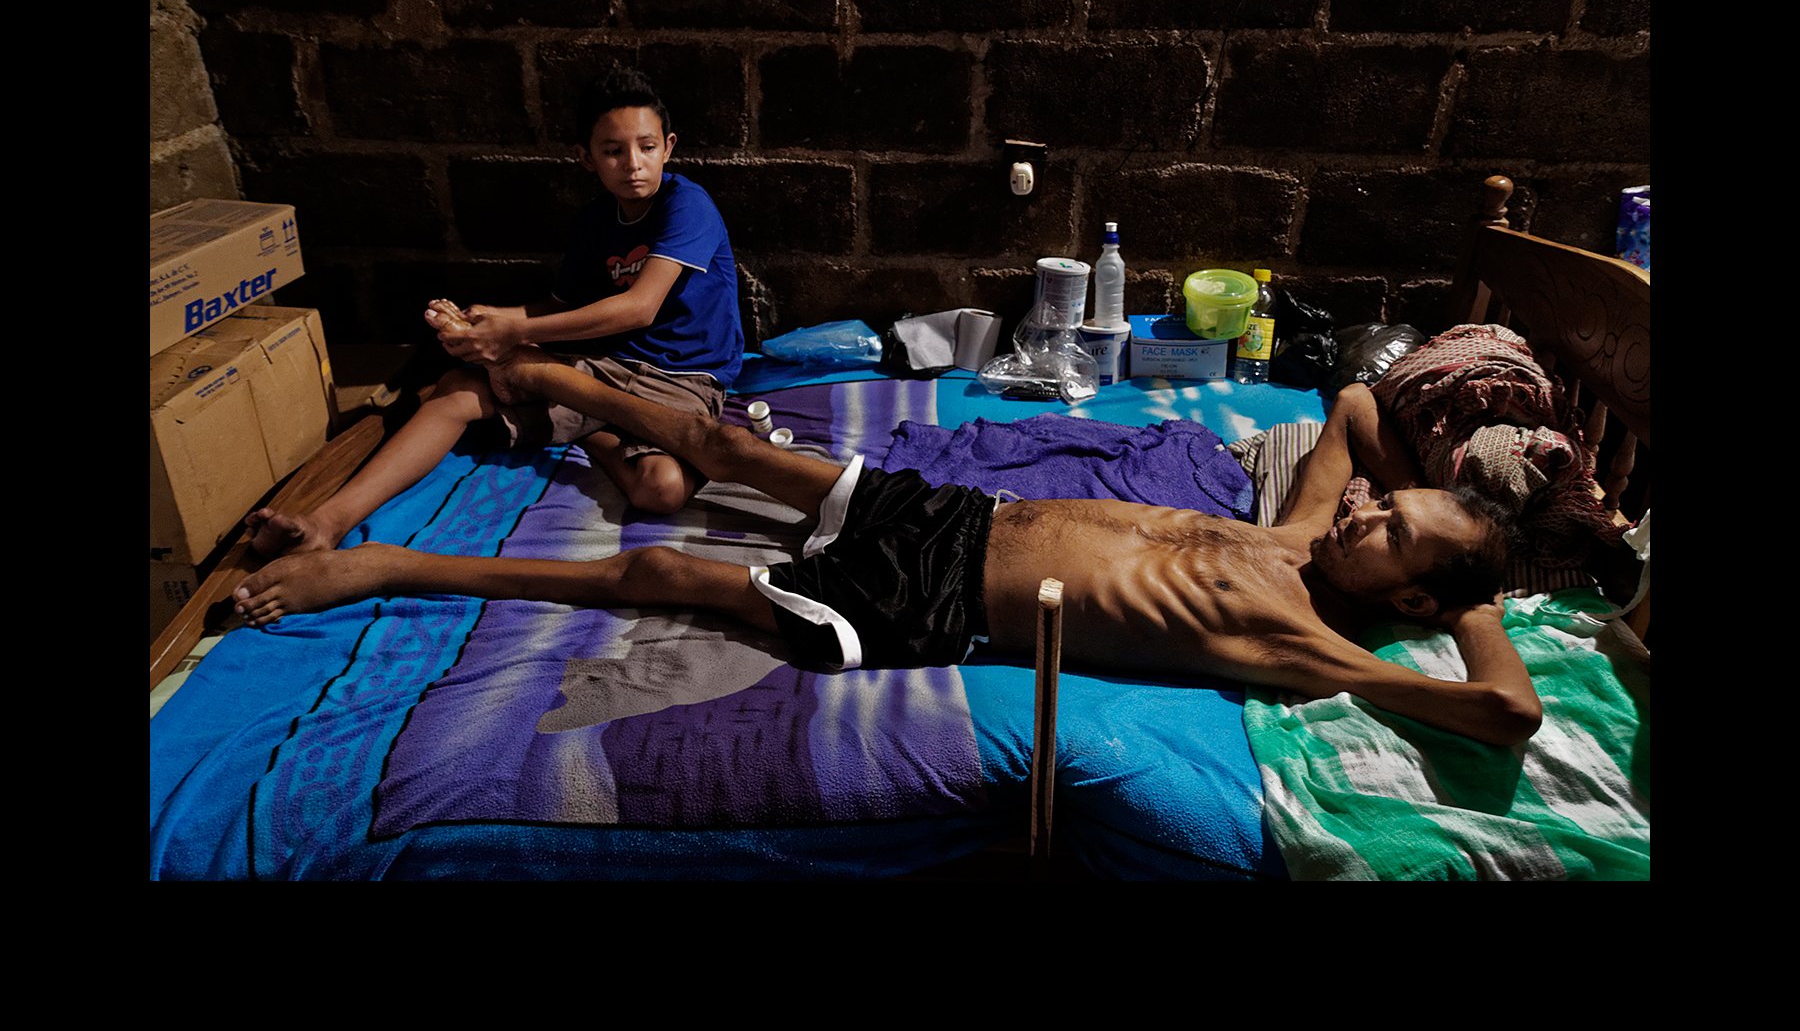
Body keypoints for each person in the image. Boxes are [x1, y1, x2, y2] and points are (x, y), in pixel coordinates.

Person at [234, 356, 1541, 747]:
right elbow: (1359, 411)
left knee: (662, 576)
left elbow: (1504, 712)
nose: (1366, 510)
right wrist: (1451, 516)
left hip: (935, 595)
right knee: (724, 441)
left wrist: (1467, 599)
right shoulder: (1308, 537)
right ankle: (523, 370)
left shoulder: (1307, 649)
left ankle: (384, 567)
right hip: (953, 515)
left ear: (1413, 594)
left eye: (1392, 533)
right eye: (1381, 506)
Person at [242, 66, 743, 559]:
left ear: (669, 147)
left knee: (661, 491)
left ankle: (593, 429)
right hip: (603, 367)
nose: (632, 163)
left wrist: (516, 332)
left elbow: (638, 307)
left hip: (684, 376)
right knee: (459, 390)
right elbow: (563, 305)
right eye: (613, 151)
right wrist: (492, 317)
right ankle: (326, 523)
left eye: (646, 147)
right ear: (586, 158)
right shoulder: (595, 220)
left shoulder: (687, 205)